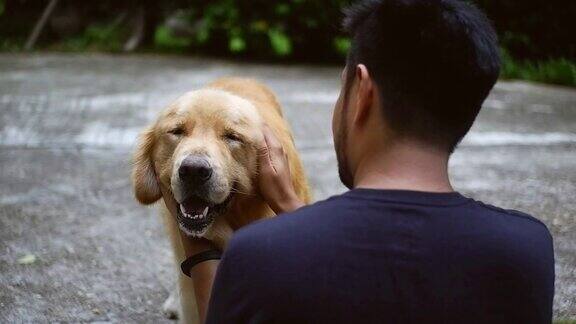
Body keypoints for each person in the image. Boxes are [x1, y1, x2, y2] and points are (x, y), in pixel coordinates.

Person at [165, 0, 555, 323]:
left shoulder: (259, 254)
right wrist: (291, 208)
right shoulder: (525, 251)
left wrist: (197, 245)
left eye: (342, 86)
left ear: (362, 92)